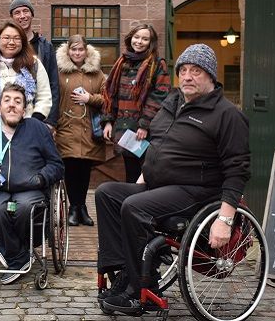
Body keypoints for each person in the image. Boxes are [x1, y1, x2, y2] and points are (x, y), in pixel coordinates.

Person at [95, 44, 250, 315]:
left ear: (211, 76)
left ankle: (140, 288)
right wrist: (146, 175)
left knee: (134, 206)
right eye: (184, 70)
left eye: (196, 71)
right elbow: (156, 143)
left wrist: (225, 220)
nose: (188, 76)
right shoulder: (173, 101)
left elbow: (237, 169)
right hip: (159, 186)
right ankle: (122, 272)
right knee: (106, 192)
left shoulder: (227, 114)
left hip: (196, 192)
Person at [0, 83, 64, 284]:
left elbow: (56, 164)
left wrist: (41, 178)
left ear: (25, 109)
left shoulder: (38, 129)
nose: (12, 105)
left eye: (18, 101)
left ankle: (17, 251)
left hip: (30, 189)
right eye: (7, 100)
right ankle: (18, 258)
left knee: (24, 207)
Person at [101, 24, 171, 182]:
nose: (139, 41)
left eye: (145, 39)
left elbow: (160, 95)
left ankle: (144, 205)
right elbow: (111, 94)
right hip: (124, 127)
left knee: (146, 174)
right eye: (137, 37)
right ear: (130, 38)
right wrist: (108, 121)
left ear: (151, 42)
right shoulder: (122, 62)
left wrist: (144, 124)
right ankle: (130, 205)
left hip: (143, 130)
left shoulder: (157, 64)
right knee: (130, 175)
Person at [53, 34, 106, 227]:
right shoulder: (59, 73)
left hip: (88, 130)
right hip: (67, 128)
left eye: (80, 49)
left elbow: (107, 98)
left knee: (84, 170)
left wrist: (89, 98)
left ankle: (81, 207)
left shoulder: (97, 74)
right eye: (73, 49)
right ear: (68, 51)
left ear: (86, 51)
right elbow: (53, 100)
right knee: (71, 169)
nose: (77, 53)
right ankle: (73, 209)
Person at [0, 21, 52, 128]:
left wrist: (33, 122)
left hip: (26, 130)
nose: (11, 42)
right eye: (6, 38)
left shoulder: (33, 64)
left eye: (17, 38)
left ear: (23, 42)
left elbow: (44, 96)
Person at [9, 0, 60, 129]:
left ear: (32, 14)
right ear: (12, 17)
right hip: (10, 113)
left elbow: (53, 84)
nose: (22, 16)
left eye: (26, 11)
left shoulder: (45, 47)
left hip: (38, 115)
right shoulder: (6, 45)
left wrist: (50, 121)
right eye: (17, 12)